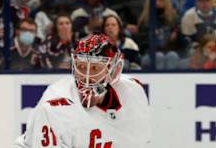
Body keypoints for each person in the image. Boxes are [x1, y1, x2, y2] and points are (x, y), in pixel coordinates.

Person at [14, 33, 151, 147]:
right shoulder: (55, 105)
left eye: (95, 68)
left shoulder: (133, 92)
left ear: (114, 72)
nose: (86, 77)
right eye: (82, 67)